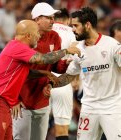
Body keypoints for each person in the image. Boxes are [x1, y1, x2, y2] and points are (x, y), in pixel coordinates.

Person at [0, 19, 80, 140]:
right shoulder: (17, 47)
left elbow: (25, 73)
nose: (38, 37)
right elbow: (43, 59)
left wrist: (45, 73)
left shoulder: (17, 48)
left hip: (4, 103)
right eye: (36, 34)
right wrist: (66, 50)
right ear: (28, 36)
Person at [45, 7, 121, 140]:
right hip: (88, 108)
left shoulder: (112, 45)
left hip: (112, 108)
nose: (72, 29)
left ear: (87, 25)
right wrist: (51, 84)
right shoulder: (78, 49)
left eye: (75, 25)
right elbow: (69, 76)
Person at [12, 3, 79, 140]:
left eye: (53, 17)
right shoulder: (25, 38)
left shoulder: (54, 36)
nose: (52, 21)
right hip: (23, 101)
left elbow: (55, 66)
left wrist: (65, 64)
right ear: (37, 19)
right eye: (48, 18)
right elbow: (17, 71)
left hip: (43, 99)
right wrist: (14, 99)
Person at [50, 8, 77, 140]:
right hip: (63, 82)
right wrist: (77, 79)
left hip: (41, 80)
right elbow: (77, 58)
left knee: (37, 126)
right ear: (68, 20)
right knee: (62, 129)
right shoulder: (72, 32)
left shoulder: (43, 30)